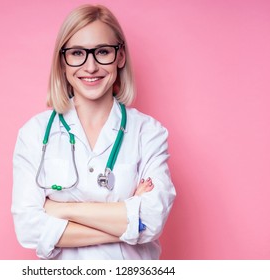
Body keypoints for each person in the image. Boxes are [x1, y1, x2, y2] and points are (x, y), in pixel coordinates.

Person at [11, 4, 176, 260]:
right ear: (62, 61)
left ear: (120, 57)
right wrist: (128, 220)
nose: (90, 67)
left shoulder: (149, 133)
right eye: (77, 53)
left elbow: (152, 220)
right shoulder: (34, 133)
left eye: (102, 52)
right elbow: (28, 227)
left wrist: (57, 209)